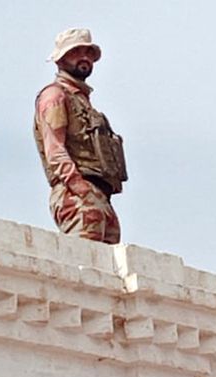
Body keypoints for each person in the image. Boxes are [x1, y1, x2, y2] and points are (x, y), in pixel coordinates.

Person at [33, 28, 127, 245]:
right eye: (76, 52)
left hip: (99, 195)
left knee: (108, 266)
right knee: (85, 263)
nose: (84, 58)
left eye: (88, 52)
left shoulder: (82, 101)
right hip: (77, 193)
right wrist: (80, 189)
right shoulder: (55, 96)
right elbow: (55, 151)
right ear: (61, 59)